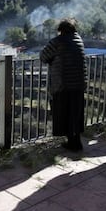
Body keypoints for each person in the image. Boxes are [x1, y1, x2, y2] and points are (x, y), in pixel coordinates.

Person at [40, 18, 87, 152]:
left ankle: (72, 144)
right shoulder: (79, 40)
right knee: (75, 114)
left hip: (63, 84)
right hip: (78, 83)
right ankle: (76, 142)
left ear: (61, 30)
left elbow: (43, 56)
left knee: (64, 114)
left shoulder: (57, 41)